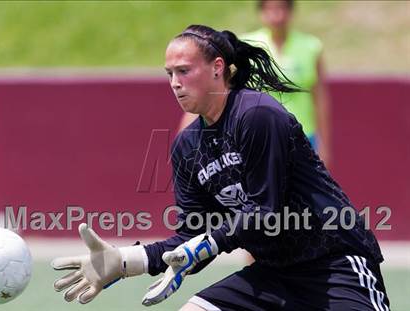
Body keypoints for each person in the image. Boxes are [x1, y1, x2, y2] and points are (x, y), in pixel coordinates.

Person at [51, 25, 389, 311]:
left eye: (184, 70)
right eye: (169, 74)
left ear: (217, 67)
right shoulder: (187, 147)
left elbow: (264, 211)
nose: (174, 83)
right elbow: (193, 233)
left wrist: (209, 243)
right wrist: (126, 262)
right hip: (273, 275)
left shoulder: (257, 115)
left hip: (333, 264)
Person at [179, 0, 332, 168]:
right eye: (271, 9)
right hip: (258, 136)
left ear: (291, 11)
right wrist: (186, 133)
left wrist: (323, 142)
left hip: (303, 136)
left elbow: (320, 99)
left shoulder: (311, 47)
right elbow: (215, 88)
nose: (277, 15)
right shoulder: (248, 46)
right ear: (261, 12)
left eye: (282, 8)